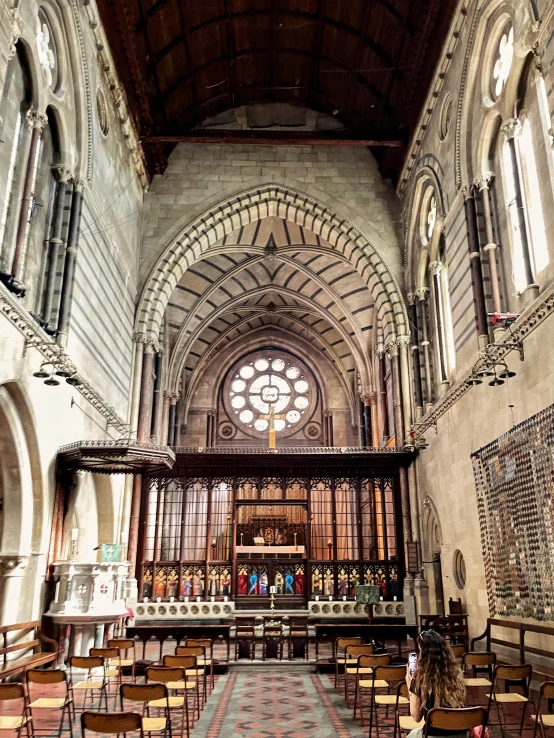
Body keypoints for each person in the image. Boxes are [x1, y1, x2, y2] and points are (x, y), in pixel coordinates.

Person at [406, 630, 467, 738]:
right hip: (461, 734)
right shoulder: (455, 676)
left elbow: (416, 717)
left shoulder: (419, 679)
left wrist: (410, 686)